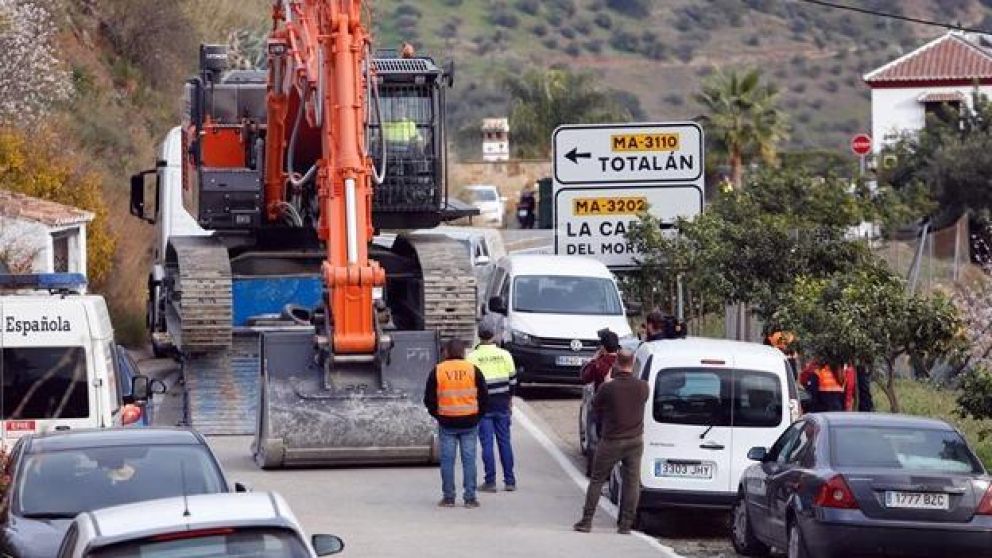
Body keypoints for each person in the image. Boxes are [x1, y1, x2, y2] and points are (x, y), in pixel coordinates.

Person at [574, 349, 649, 535]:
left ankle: (587, 520)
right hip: (635, 440)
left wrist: (607, 382)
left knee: (597, 479)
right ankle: (625, 524)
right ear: (633, 364)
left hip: (611, 440)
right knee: (631, 483)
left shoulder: (608, 388)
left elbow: (596, 405)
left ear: (616, 364)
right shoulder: (643, 387)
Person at [424, 339, 489, 508]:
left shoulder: (438, 371)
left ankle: (448, 498)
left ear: (446, 352)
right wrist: (477, 416)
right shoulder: (473, 370)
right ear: (463, 352)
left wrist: (439, 415)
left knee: (447, 461)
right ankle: (470, 498)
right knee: (469, 460)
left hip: (447, 422)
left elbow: (429, 399)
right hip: (469, 422)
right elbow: (484, 397)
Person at [467, 323, 518, 493]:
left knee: (487, 443)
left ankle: (490, 482)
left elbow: (470, 384)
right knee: (505, 442)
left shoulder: (472, 357)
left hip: (483, 406)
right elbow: (513, 381)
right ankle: (510, 480)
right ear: (494, 336)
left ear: (479, 336)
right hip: (502, 404)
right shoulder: (505, 355)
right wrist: (510, 399)